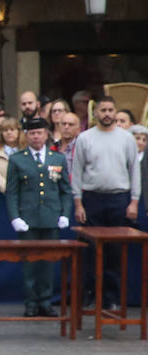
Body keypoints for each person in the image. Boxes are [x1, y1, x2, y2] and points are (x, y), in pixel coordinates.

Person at [71, 96, 142, 310]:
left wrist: (134, 201)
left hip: (119, 198)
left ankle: (111, 298)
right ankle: (91, 295)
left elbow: (134, 171)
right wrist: (78, 203)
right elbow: (77, 171)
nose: (107, 114)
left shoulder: (126, 138)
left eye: (111, 109)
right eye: (103, 110)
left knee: (114, 251)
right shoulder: (85, 138)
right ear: (95, 113)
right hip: (92, 197)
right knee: (90, 249)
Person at [6, 117, 72, 317]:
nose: (36, 136)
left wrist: (65, 214)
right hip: (28, 220)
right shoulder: (17, 159)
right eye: (32, 133)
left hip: (51, 218)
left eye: (40, 132)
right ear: (27, 135)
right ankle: (31, 303)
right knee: (30, 263)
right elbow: (12, 192)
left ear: (46, 134)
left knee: (48, 263)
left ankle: (46, 301)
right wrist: (15, 217)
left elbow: (65, 191)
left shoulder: (57, 159)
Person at [0, 116, 24, 193]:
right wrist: (8, 189)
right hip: (0, 194)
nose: (9, 132)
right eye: (5, 130)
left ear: (18, 131)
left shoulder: (26, 150)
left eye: (12, 129)